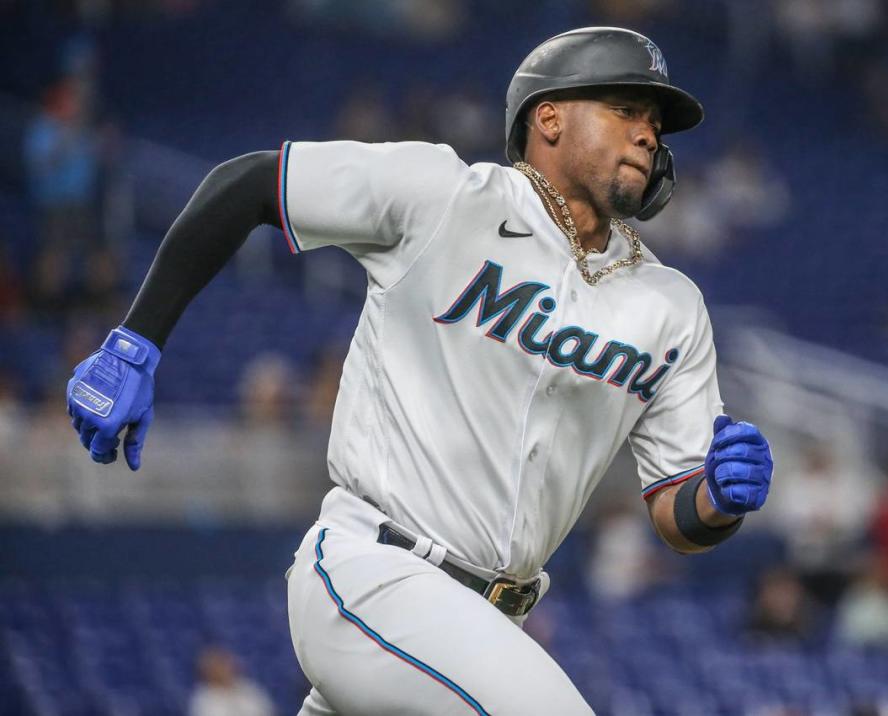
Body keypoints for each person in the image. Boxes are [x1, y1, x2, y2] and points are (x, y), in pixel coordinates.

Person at [66, 27, 774, 715]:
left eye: (655, 121)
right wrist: (136, 340)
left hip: (488, 626)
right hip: (375, 574)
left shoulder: (670, 305)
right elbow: (251, 182)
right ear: (548, 117)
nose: (649, 133)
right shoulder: (445, 195)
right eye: (626, 110)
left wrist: (717, 498)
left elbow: (677, 514)